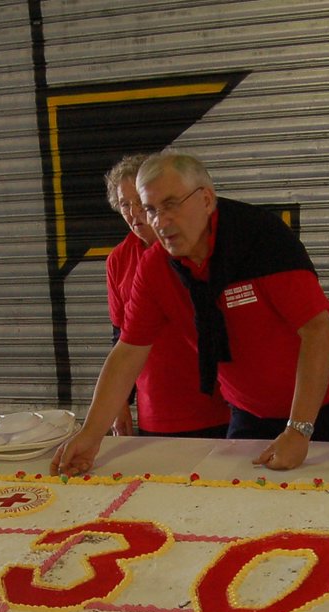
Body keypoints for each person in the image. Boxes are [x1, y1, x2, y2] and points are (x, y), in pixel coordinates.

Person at [54, 150, 329, 474]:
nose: (159, 222)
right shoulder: (154, 266)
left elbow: (318, 332)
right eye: (150, 209)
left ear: (206, 199)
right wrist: (91, 435)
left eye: (171, 205)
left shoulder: (260, 238)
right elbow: (127, 352)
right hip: (251, 413)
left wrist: (299, 429)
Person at [102, 153, 229, 438]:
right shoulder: (118, 260)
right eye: (125, 204)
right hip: (156, 408)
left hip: (215, 402)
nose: (134, 213)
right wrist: (120, 403)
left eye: (140, 203)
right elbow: (120, 337)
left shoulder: (195, 247)